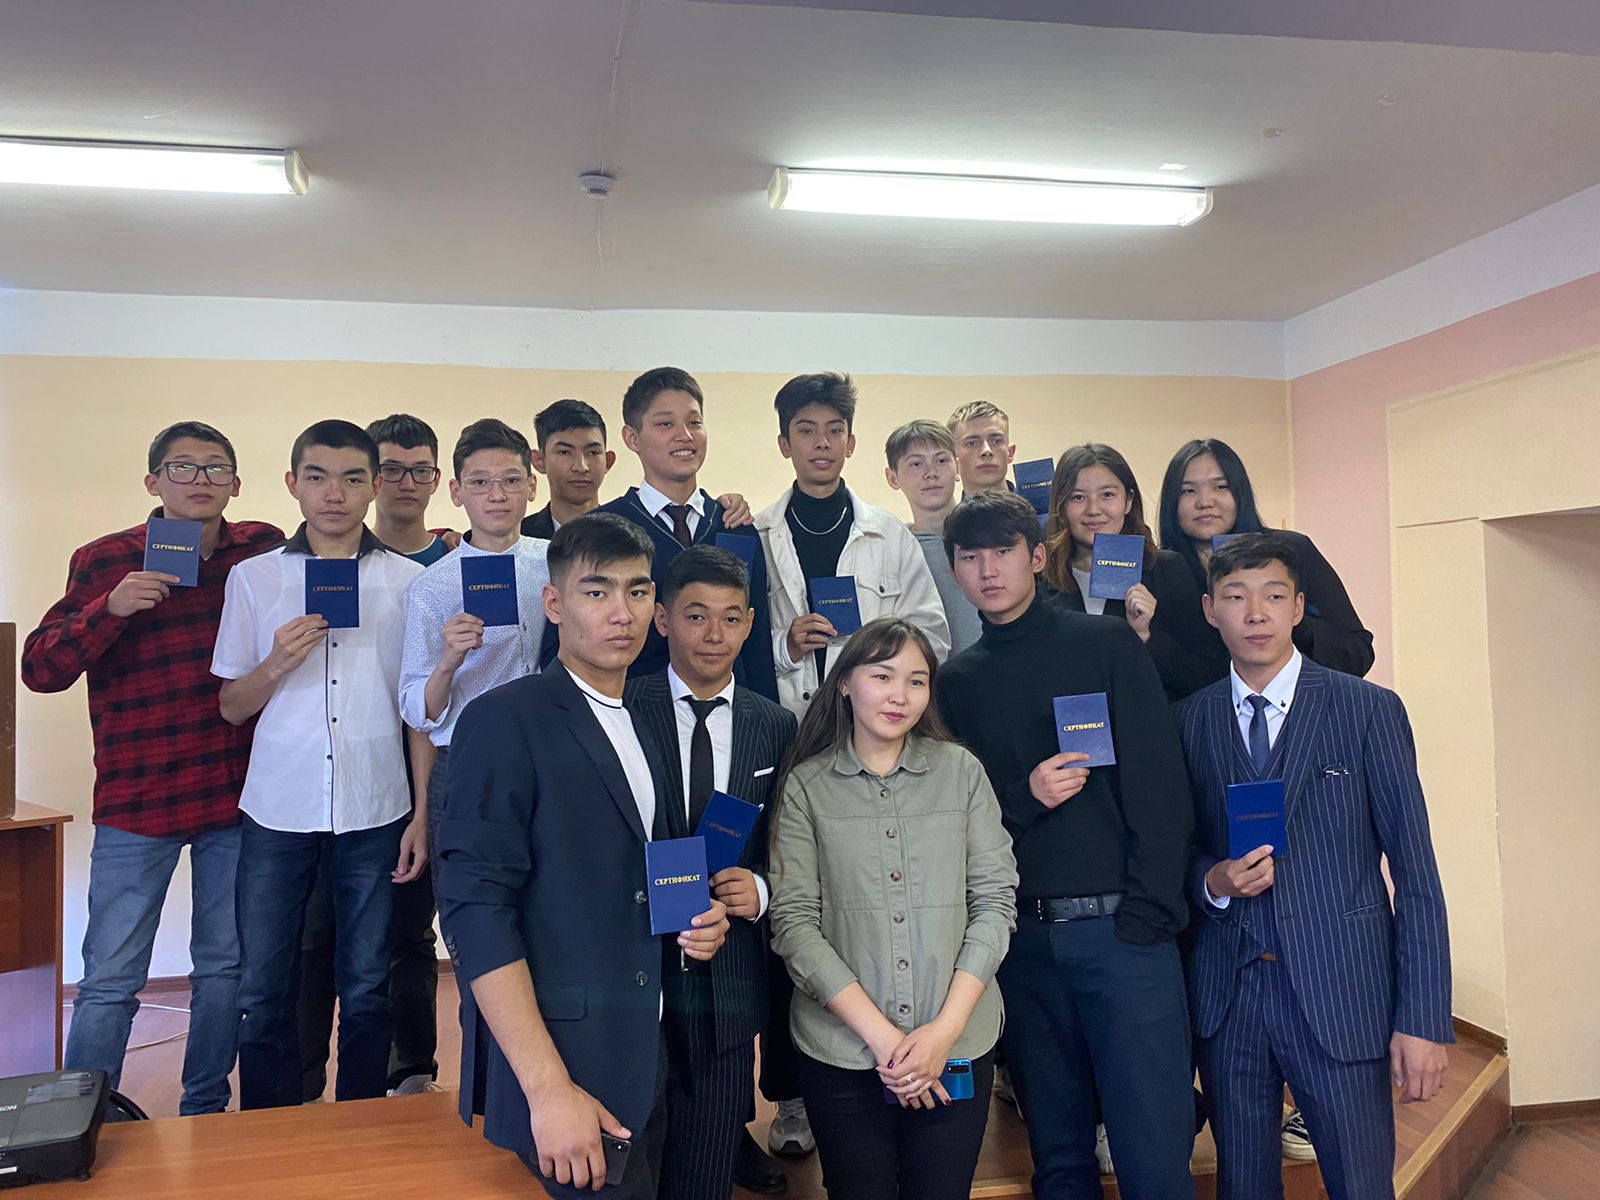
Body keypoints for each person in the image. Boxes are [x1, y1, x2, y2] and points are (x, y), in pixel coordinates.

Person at [436, 513, 731, 1199]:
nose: (621, 612)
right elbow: (475, 913)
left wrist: (699, 919)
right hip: (567, 1064)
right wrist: (547, 1090)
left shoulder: (648, 717)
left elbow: (647, 864)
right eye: (596, 591)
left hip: (653, 1044)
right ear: (554, 603)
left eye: (637, 591)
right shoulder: (505, 718)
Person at [1176, 533, 1453, 1200]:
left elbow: (1416, 874)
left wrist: (1423, 1018)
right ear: (1211, 610)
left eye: (1274, 596)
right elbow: (1176, 851)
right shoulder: (1189, 720)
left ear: (1299, 608)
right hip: (1230, 999)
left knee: (1360, 1185)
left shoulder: (1367, 710)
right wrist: (1212, 880)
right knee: (1243, 1185)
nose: (1256, 614)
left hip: (1343, 992)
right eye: (1236, 597)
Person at [937, 491, 1196, 1200]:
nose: (988, 570)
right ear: (954, 571)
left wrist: (1150, 914)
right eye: (970, 557)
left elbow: (1160, 785)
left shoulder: (1103, 644)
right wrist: (1025, 796)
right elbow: (962, 822)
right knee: (1057, 1159)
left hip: (1123, 933)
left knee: (1153, 1158)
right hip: (1024, 945)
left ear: (1036, 556)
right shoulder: (958, 682)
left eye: (1003, 552)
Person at [21, 421, 281, 1116]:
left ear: (236, 484)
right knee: (110, 976)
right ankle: (80, 1119)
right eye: (183, 467)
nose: (200, 479)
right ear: (153, 482)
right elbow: (39, 669)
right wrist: (108, 609)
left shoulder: (261, 549)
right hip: (138, 799)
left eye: (215, 468)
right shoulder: (105, 559)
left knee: (225, 968)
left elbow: (335, 552)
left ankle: (204, 1110)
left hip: (234, 793)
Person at [212, 420, 428, 1110]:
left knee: (367, 983)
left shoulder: (409, 582)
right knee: (264, 985)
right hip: (278, 808)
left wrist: (422, 814)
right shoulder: (254, 579)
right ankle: (271, 1128)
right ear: (292, 484)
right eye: (317, 477)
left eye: (352, 478)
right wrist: (275, 662)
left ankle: (360, 1126)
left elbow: (417, 712)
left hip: (376, 806)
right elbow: (231, 707)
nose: (334, 494)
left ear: (374, 486)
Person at [768, 617, 1017, 1200]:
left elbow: (994, 901)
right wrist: (886, 1042)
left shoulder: (962, 773)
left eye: (916, 680)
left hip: (957, 1045)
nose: (899, 695)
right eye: (882, 676)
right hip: (843, 1051)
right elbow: (795, 924)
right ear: (844, 683)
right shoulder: (806, 785)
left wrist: (942, 1034)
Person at [625, 546, 799, 1198]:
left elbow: (789, 843)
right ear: (662, 619)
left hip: (729, 975)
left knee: (707, 1167)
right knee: (631, 1160)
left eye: (730, 618)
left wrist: (761, 889)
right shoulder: (623, 708)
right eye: (696, 616)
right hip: (636, 965)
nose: (714, 635)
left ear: (750, 624)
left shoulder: (774, 725)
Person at [298, 412, 454, 1100]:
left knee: (408, 934)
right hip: (329, 783)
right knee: (318, 935)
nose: (405, 483)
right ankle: (306, 1083)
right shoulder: (310, 559)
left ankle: (410, 1071)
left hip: (419, 777)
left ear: (438, 480)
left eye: (421, 470)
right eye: (391, 468)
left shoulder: (449, 565)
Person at [758, 374, 949, 717]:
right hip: (785, 721)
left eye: (835, 430)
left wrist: (880, 670)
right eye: (806, 431)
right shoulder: (759, 535)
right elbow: (733, 640)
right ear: (784, 444)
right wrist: (785, 646)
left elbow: (931, 636)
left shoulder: (891, 535)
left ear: (850, 443)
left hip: (873, 723)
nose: (822, 443)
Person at [594, 366, 776, 699]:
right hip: (631, 709)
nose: (685, 436)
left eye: (694, 422)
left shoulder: (735, 526)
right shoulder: (602, 529)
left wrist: (767, 719)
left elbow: (757, 644)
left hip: (726, 714)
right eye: (666, 424)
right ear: (632, 438)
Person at [1157, 437, 1374, 679]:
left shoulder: (1292, 550)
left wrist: (1291, 619)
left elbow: (1357, 654)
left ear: (1241, 493)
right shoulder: (1159, 571)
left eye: (1221, 487)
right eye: (1188, 491)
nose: (1205, 502)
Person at [1041, 443, 1221, 702]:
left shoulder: (1167, 569)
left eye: (1107, 495)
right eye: (1078, 497)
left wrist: (1147, 637)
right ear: (1061, 506)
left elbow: (1206, 676)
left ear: (1128, 501)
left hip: (1151, 722)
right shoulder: (1040, 579)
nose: (1094, 509)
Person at [883, 419, 982, 655]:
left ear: (957, 467)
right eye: (916, 464)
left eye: (941, 460)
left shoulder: (989, 536)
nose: (931, 473)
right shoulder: (893, 551)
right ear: (893, 478)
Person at [368, 413, 456, 565]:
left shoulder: (455, 556)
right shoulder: (346, 559)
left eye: (421, 471)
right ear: (371, 479)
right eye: (392, 469)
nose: (408, 485)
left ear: (435, 481)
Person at [523, 398, 615, 539]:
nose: (581, 467)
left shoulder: (630, 539)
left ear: (608, 462)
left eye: (592, 452)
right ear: (539, 461)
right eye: (565, 452)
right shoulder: (519, 537)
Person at [946, 400, 1015, 498]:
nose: (987, 451)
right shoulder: (945, 509)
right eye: (972, 443)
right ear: (954, 460)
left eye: (996, 441)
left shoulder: (1036, 506)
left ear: (1010, 453)